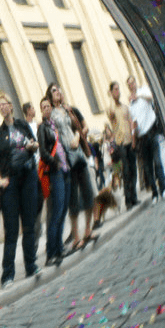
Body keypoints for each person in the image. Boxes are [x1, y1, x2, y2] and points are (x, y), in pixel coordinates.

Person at [0, 92, 39, 287]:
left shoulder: (22, 125)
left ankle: (31, 265)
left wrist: (32, 146)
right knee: (11, 230)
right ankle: (7, 274)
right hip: (10, 183)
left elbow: (35, 143)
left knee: (29, 224)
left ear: (11, 105)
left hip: (28, 178)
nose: (2, 108)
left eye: (4, 104)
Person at [47, 82, 95, 252]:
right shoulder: (51, 114)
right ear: (50, 96)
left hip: (79, 155)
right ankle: (76, 239)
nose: (57, 91)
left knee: (89, 193)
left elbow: (79, 127)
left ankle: (88, 230)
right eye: (54, 90)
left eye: (58, 88)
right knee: (73, 199)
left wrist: (76, 136)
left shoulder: (68, 109)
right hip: (66, 159)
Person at [37, 97, 70, 267]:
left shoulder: (54, 126)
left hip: (64, 169)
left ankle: (59, 248)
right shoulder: (42, 128)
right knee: (55, 214)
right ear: (41, 110)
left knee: (62, 210)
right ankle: (51, 253)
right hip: (55, 171)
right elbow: (43, 152)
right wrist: (55, 162)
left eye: (48, 106)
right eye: (43, 107)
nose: (47, 109)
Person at [127, 75, 165, 203]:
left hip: (151, 132)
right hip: (141, 138)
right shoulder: (130, 104)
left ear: (135, 83)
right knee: (148, 168)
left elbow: (152, 98)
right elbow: (133, 122)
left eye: (132, 83)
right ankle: (155, 193)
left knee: (158, 162)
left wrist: (139, 96)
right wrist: (134, 136)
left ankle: (163, 189)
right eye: (129, 84)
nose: (131, 85)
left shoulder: (143, 91)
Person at [107, 80, 138, 209]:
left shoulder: (125, 107)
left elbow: (131, 121)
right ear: (111, 92)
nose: (118, 91)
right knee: (125, 171)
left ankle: (134, 197)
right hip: (120, 143)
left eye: (118, 89)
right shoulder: (111, 108)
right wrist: (110, 98)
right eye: (115, 89)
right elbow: (111, 114)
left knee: (133, 170)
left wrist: (133, 137)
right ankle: (128, 200)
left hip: (129, 141)